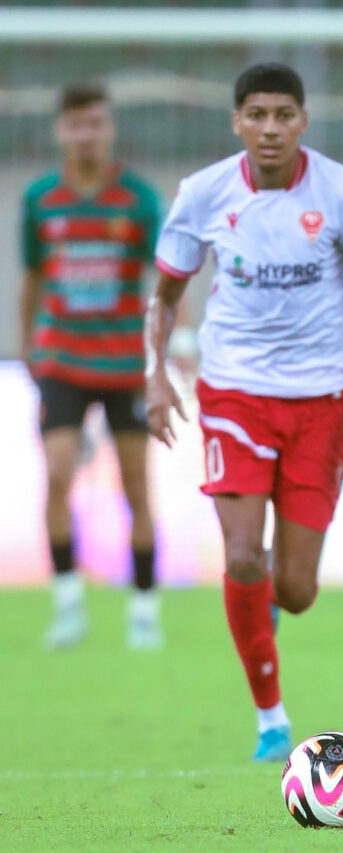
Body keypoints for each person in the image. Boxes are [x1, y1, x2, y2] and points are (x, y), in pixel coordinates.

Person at [144, 63, 343, 762]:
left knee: (296, 586)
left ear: (303, 122)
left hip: (323, 401)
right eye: (256, 114)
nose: (269, 128)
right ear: (237, 122)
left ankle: (267, 613)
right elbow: (165, 295)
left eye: (283, 114)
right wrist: (158, 377)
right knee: (238, 552)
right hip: (234, 394)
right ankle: (270, 719)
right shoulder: (203, 194)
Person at [19, 82, 164, 650]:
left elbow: (167, 276)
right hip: (61, 357)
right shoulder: (40, 199)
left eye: (96, 124)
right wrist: (27, 343)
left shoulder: (138, 199)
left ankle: (145, 612)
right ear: (62, 130)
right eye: (76, 124)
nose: (86, 134)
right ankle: (68, 606)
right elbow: (32, 276)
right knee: (56, 474)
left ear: (109, 129)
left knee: (136, 486)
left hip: (125, 360)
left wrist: (172, 349)